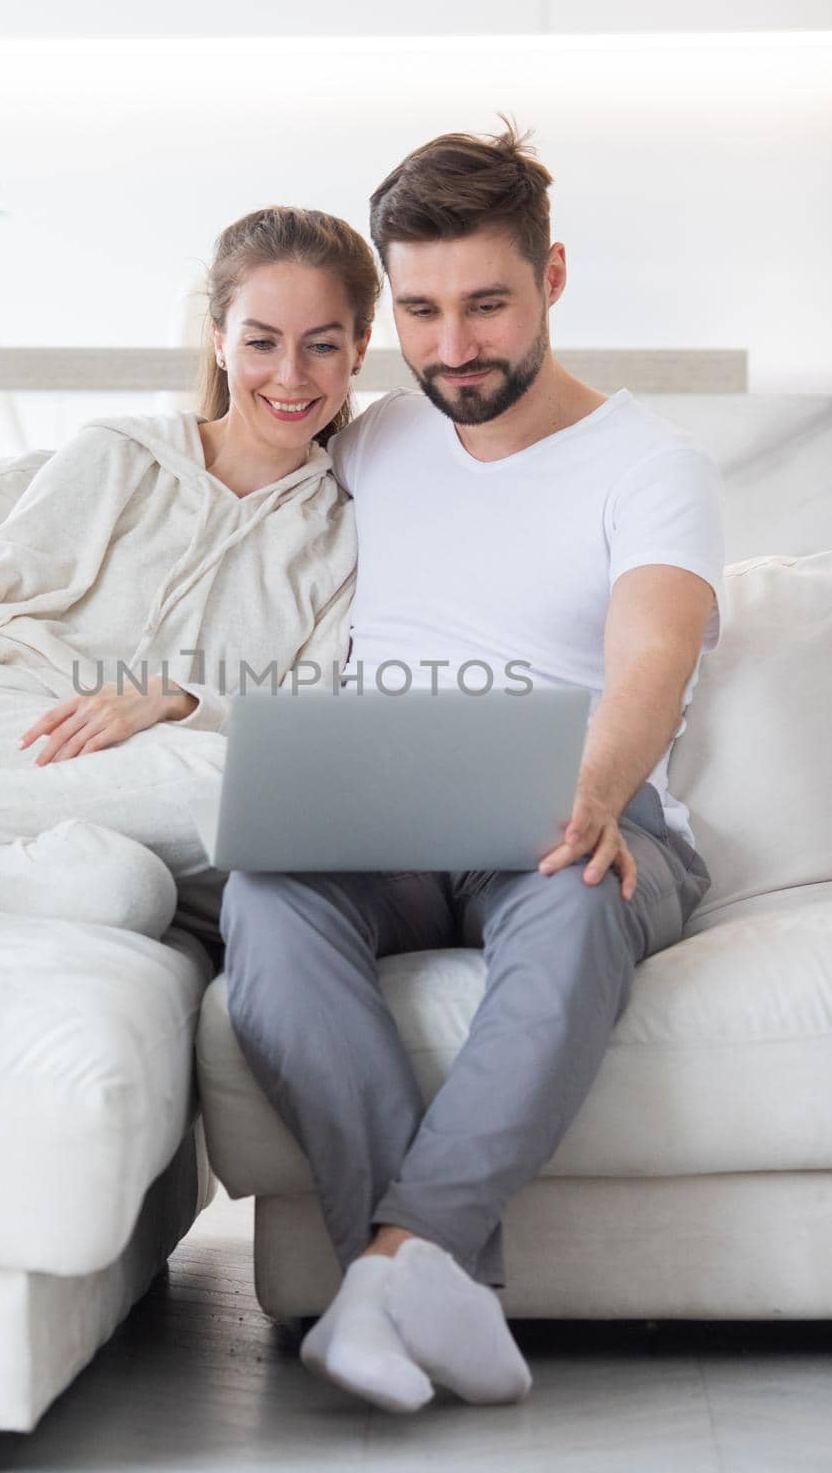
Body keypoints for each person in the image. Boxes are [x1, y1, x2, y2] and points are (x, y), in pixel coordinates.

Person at [218, 124, 724, 1415]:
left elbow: (649, 657)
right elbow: (202, 491)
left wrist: (596, 792)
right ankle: (441, 1288)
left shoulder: (645, 467)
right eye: (423, 312)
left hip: (582, 825)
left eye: (486, 305)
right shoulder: (375, 437)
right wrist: (11, 571)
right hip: (386, 831)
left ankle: (389, 1267)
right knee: (264, 904)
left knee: (572, 897)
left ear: (551, 277)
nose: (452, 350)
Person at [0, 206, 374, 937]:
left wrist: (175, 702)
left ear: (360, 349)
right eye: (261, 342)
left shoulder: (342, 536)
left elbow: (299, 731)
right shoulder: (118, 454)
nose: (289, 375)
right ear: (218, 342)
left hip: (143, 793)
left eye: (321, 346)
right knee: (219, 778)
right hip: (0, 724)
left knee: (126, 892)